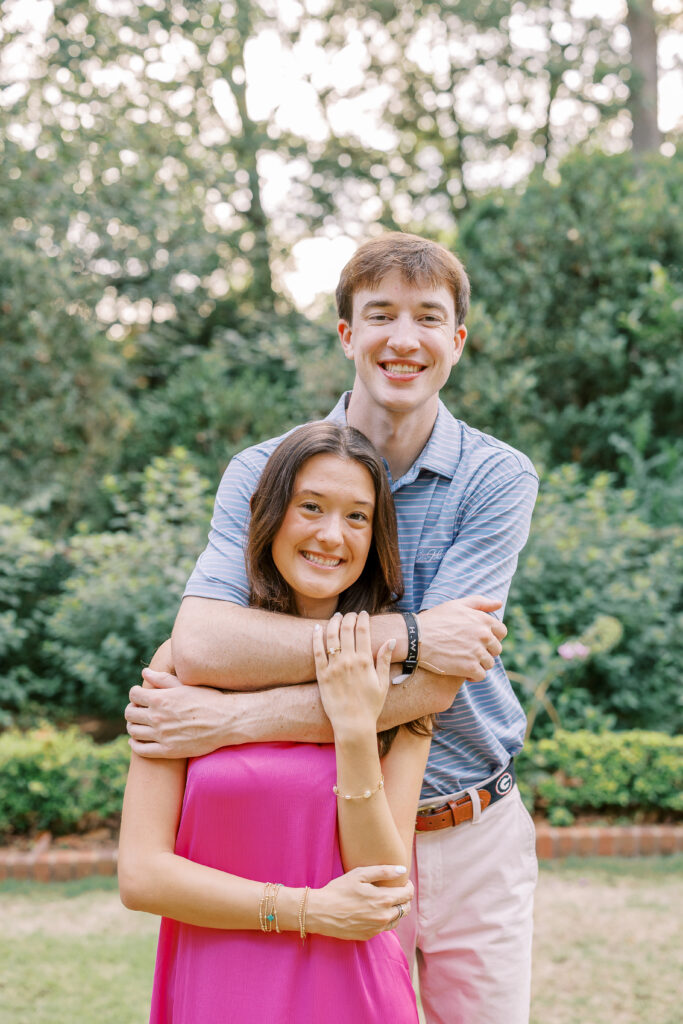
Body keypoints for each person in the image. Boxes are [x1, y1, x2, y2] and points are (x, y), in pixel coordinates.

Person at [125, 232, 539, 1024]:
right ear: (346, 333)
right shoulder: (263, 472)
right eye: (380, 315)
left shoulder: (495, 477)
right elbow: (203, 644)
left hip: (468, 824)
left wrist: (231, 719)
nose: (403, 338)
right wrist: (411, 637)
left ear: (457, 340)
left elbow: (431, 690)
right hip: (316, 830)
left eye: (427, 317)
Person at [119, 422, 433, 1022]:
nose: (332, 535)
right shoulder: (186, 664)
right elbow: (141, 875)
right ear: (269, 515)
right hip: (220, 986)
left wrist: (354, 729)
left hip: (351, 991)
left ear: (376, 538)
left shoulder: (398, 679)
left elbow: (382, 886)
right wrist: (306, 911)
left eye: (358, 517)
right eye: (310, 506)